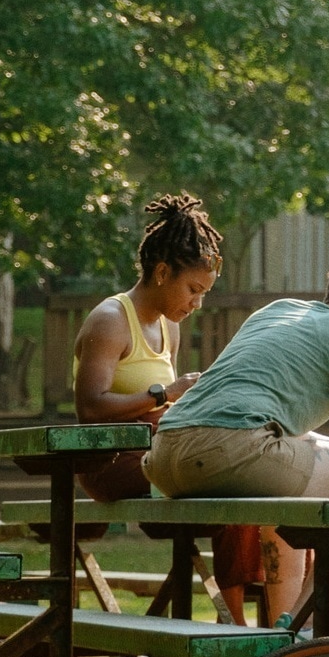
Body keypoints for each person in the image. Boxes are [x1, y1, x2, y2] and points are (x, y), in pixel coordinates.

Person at [147, 255, 329, 618]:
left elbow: (302, 440)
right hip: (231, 448)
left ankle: (287, 620)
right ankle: (304, 625)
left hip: (164, 453)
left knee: (317, 467)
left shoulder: (276, 312)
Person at [71, 193, 223, 504]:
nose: (198, 303)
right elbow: (89, 408)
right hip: (108, 460)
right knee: (225, 472)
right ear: (163, 273)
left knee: (245, 469)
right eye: (193, 290)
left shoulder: (171, 326)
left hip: (158, 448)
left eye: (204, 293)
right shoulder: (110, 320)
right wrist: (164, 394)